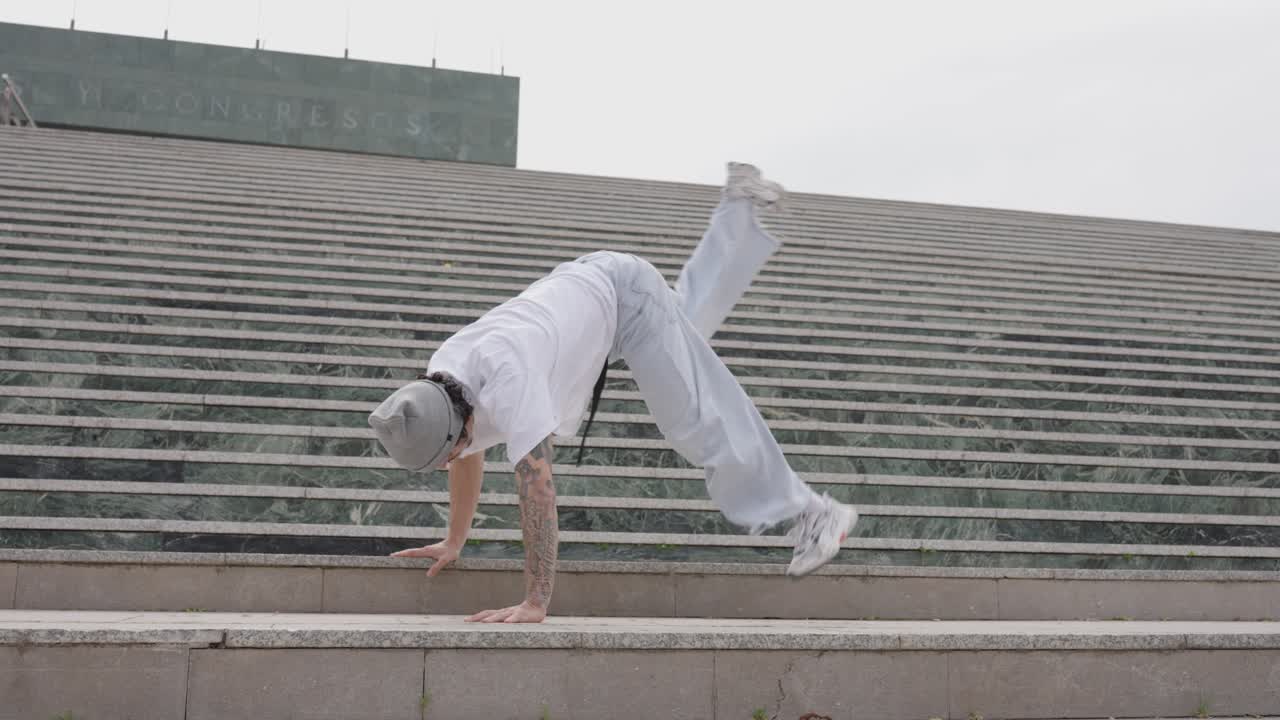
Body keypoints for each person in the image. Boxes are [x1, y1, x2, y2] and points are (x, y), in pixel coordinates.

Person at [369, 163, 858, 623]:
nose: (446, 464)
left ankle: (816, 513)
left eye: (444, 455)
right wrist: (454, 540)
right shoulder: (443, 382)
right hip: (596, 288)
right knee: (692, 318)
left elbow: (537, 489)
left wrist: (536, 600)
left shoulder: (508, 379)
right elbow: (466, 453)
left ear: (457, 426)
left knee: (695, 417)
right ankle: (741, 206)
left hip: (626, 299)